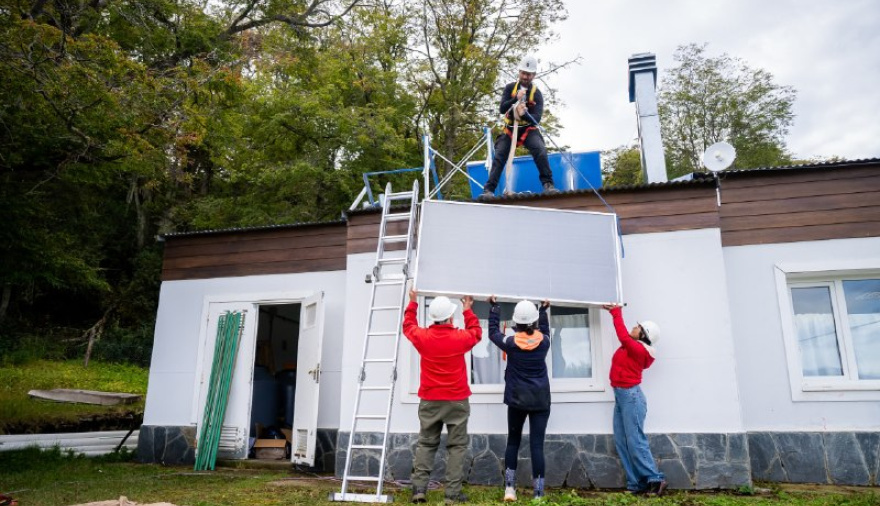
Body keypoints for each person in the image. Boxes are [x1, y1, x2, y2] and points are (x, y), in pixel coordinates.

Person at [403, 288, 482, 504]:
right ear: (450, 316)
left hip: (430, 400)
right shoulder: (459, 337)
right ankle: (452, 495)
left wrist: (412, 302)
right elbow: (476, 332)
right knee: (456, 447)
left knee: (426, 444)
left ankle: (419, 491)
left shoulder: (423, 337)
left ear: (433, 317)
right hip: (457, 399)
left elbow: (408, 326)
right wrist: (468, 310)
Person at [487, 297, 551, 501]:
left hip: (517, 400)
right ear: (534, 322)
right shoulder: (544, 342)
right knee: (537, 445)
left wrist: (495, 309)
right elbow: (546, 331)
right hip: (540, 400)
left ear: (517, 322)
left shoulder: (511, 343)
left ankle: (509, 489)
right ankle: (538, 495)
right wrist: (543, 311)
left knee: (513, 442)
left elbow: (492, 333)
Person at [602, 303, 667, 497]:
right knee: (622, 441)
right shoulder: (629, 347)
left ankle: (655, 479)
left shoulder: (638, 350)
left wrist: (615, 312)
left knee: (635, 440)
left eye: (638, 327)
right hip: (622, 397)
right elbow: (624, 339)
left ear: (643, 334)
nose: (633, 327)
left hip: (631, 397)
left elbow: (622, 334)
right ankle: (636, 483)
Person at [480, 55, 559, 198]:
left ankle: (548, 184)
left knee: (540, 150)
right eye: (523, 73)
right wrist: (515, 99)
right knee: (499, 156)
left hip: (528, 130)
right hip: (510, 130)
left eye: (529, 74)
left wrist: (524, 114)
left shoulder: (536, 94)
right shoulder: (510, 88)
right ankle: (488, 189)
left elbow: (536, 120)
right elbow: (502, 109)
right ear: (519, 72)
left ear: (533, 75)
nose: (525, 76)